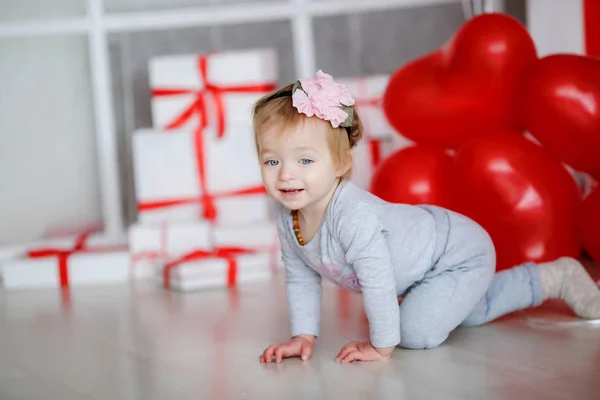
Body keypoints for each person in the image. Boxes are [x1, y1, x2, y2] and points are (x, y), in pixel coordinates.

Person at [252, 70, 600, 364]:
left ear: (341, 164)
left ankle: (556, 276)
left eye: (305, 161)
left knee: (415, 332)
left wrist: (380, 346)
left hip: (458, 251)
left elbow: (378, 282)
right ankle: (545, 279)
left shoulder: (351, 215)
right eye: (272, 161)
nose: (285, 175)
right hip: (424, 257)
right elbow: (300, 279)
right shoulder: (289, 219)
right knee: (469, 310)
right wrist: (303, 335)